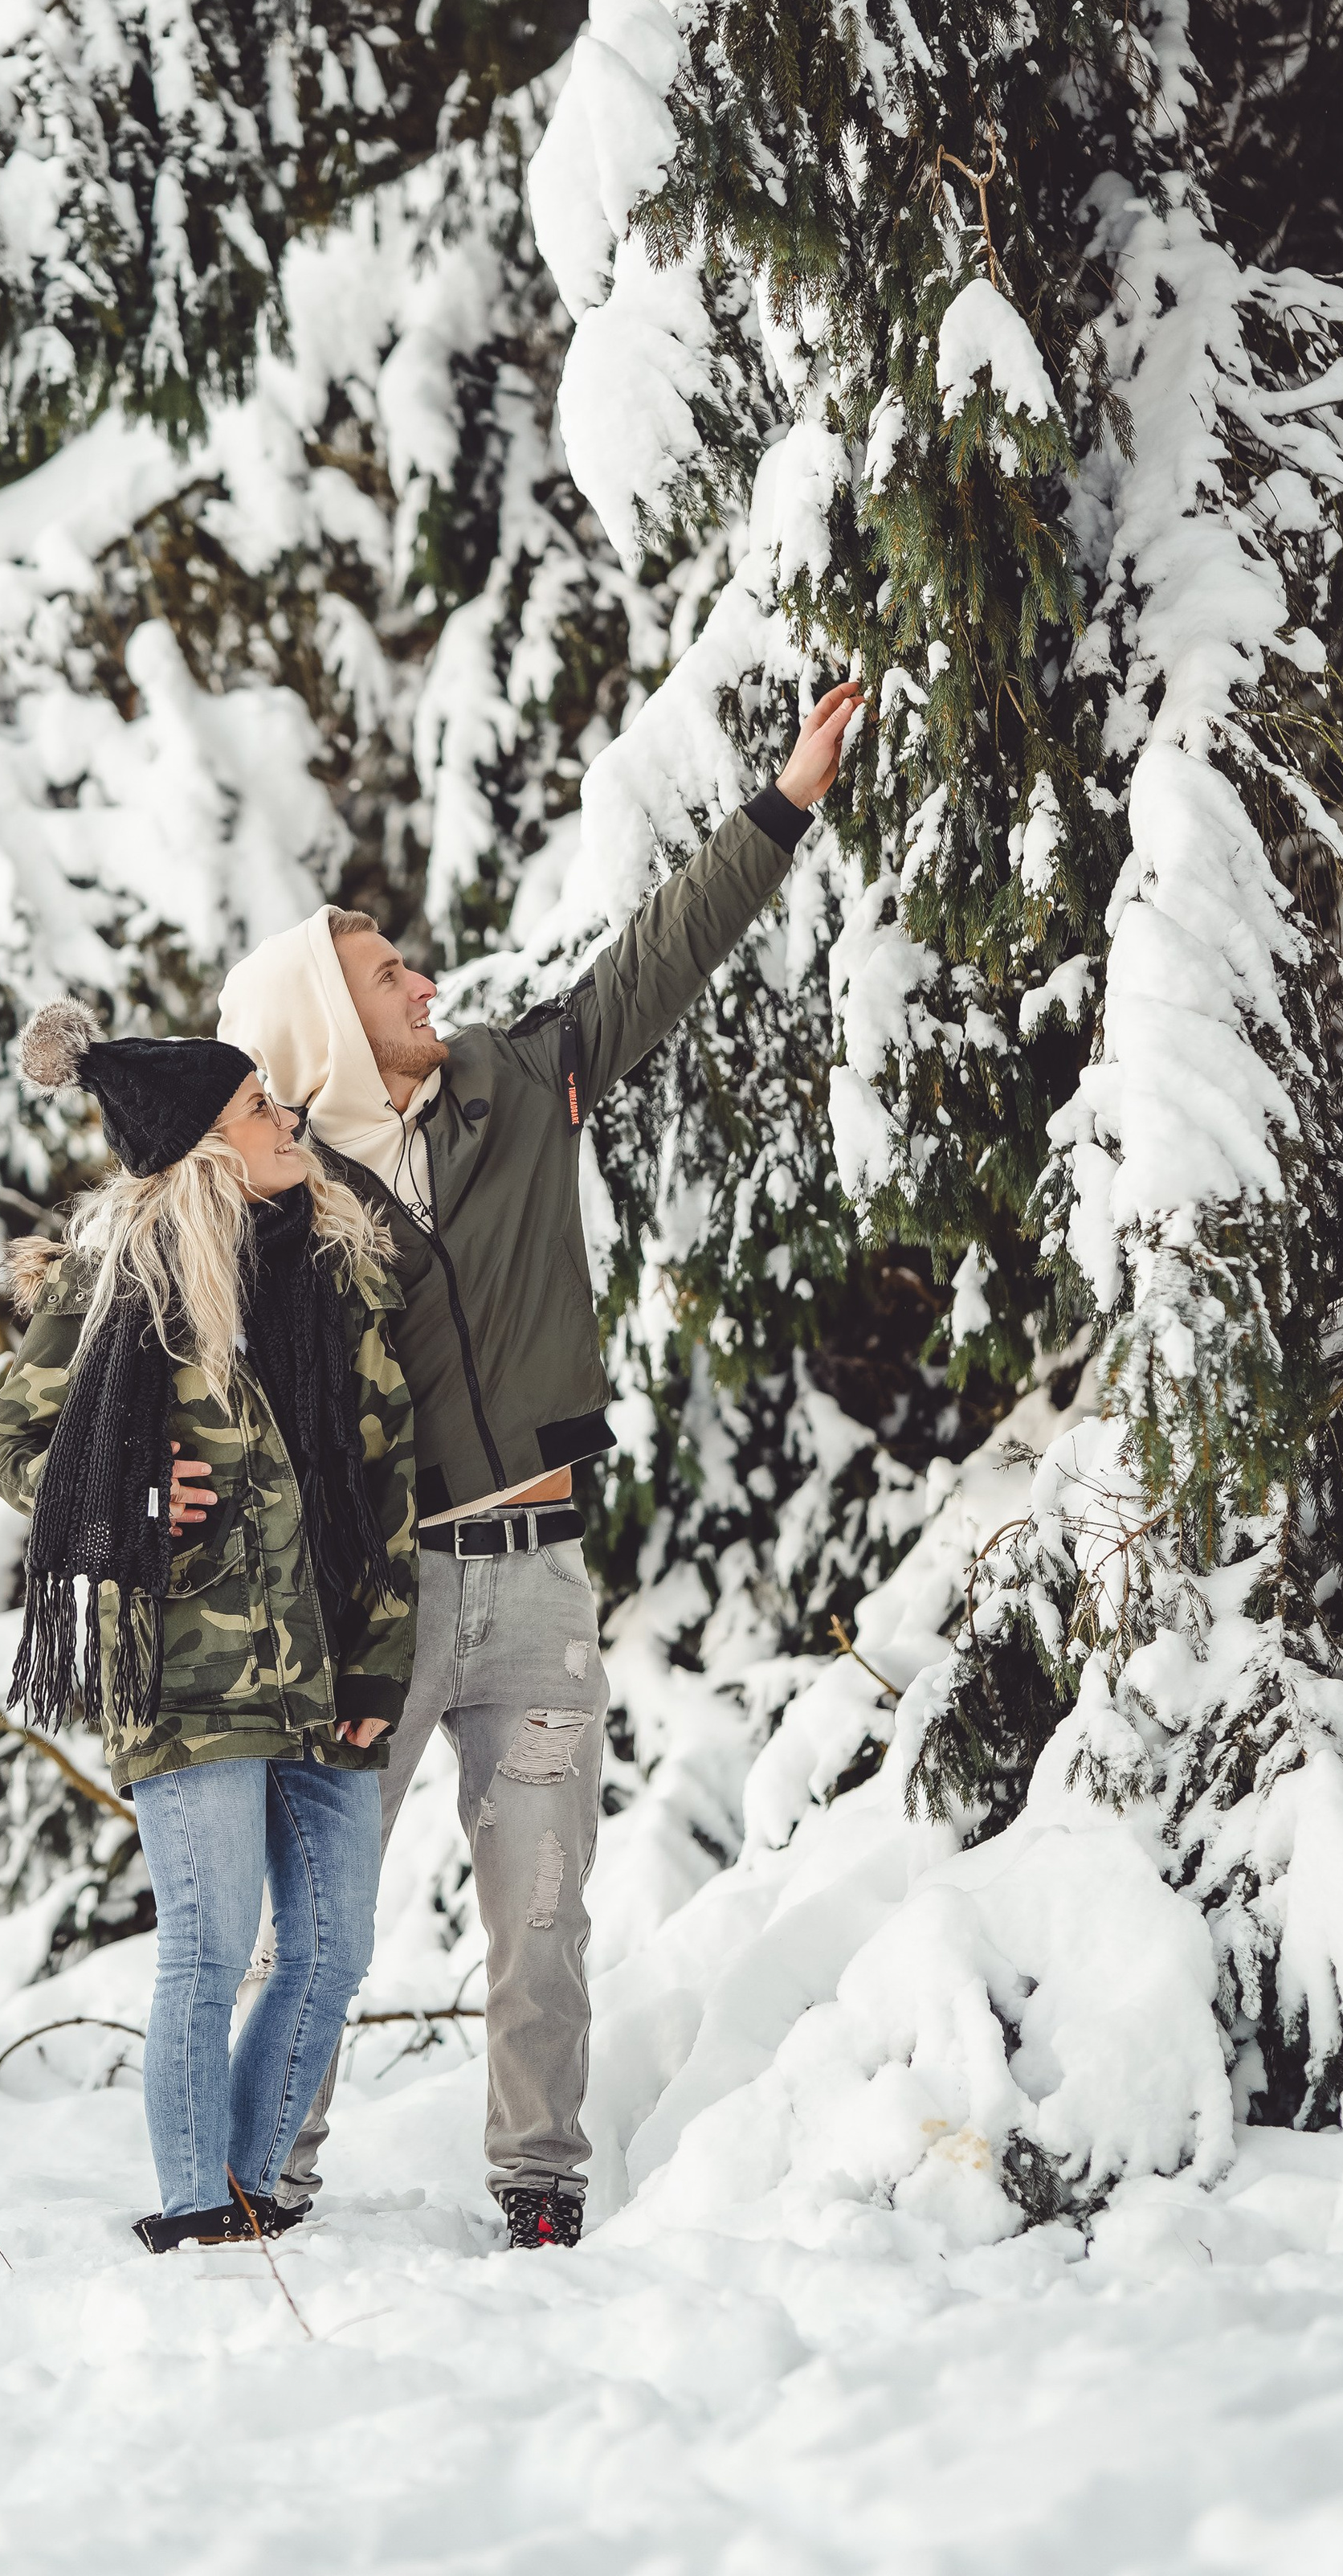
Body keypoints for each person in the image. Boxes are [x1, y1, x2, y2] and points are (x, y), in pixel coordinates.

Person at [217, 681, 863, 2249]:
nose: (424, 980)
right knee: (319, 1909)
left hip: (539, 1596)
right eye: (387, 975)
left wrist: (781, 804)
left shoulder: (521, 1085)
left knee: (542, 1907)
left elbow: (659, 952)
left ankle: (539, 2189)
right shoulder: (282, 1198)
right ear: (323, 1017)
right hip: (380, 1606)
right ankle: (258, 2173)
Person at [0, 1004, 418, 2253]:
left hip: (326, 1665)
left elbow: (387, 1482)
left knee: (332, 1953)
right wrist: (130, 1493)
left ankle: (248, 2181)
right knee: (210, 1949)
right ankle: (197, 2208)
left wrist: (379, 1661)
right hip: (186, 1668)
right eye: (259, 1110)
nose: (287, 1122)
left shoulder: (338, 1272)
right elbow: (13, 1442)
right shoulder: (125, 1288)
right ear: (207, 1151)